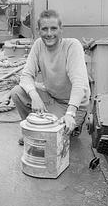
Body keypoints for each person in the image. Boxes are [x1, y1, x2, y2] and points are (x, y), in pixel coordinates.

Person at [11, 9, 90, 145]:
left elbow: (79, 83)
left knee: (51, 140)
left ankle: (73, 125)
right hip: (52, 98)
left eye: (53, 28)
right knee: (17, 92)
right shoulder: (38, 45)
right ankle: (32, 132)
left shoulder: (72, 46)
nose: (49, 34)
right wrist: (35, 97)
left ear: (61, 29)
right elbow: (26, 76)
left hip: (72, 106)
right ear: (39, 30)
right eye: (45, 29)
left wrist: (70, 113)